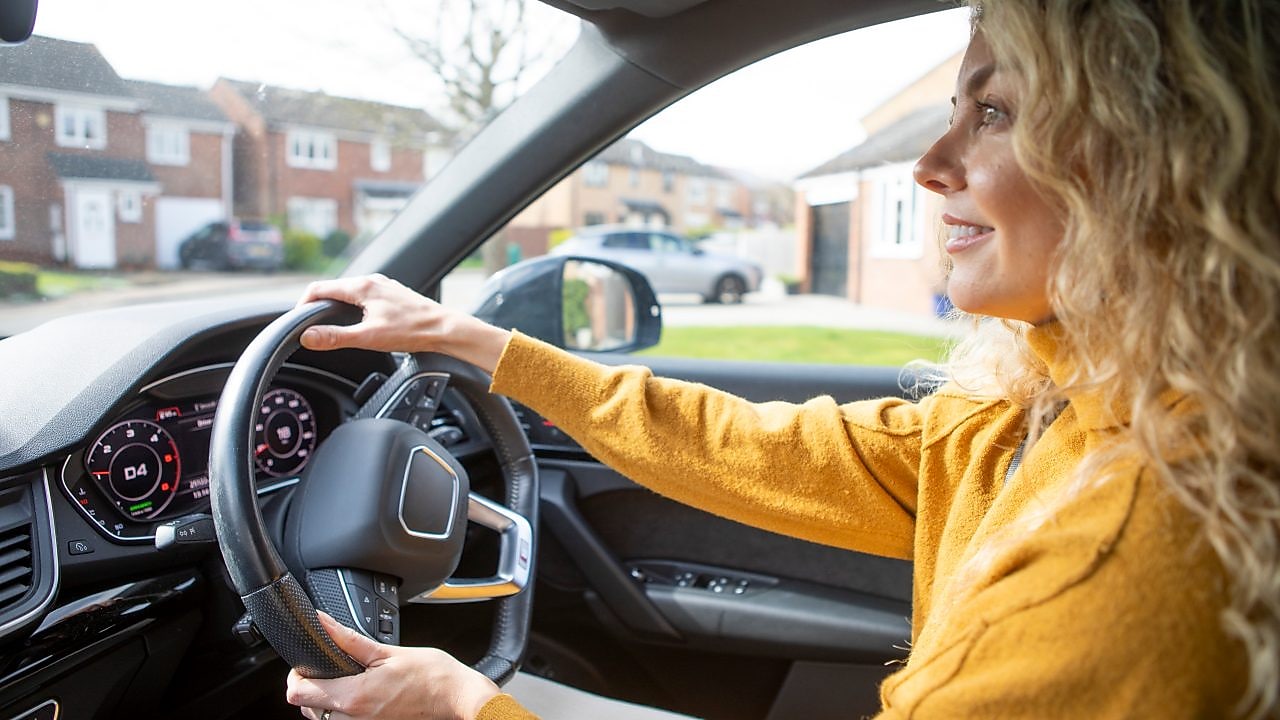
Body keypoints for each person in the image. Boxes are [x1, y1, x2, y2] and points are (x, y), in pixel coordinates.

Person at [284, 0, 1280, 717]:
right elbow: (752, 446)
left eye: (995, 111)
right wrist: (470, 341)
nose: (930, 167)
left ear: (1157, 163)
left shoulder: (1124, 560)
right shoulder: (1047, 409)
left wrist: (463, 712)